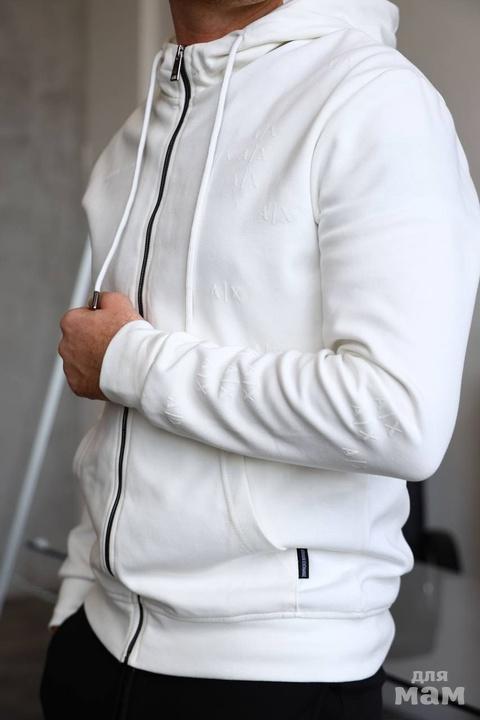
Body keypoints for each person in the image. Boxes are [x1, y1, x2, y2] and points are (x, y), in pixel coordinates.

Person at [40, 0, 480, 717]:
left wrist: (127, 360)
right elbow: (124, 432)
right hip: (98, 646)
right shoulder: (137, 136)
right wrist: (77, 593)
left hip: (277, 673)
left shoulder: (377, 100)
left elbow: (399, 414)